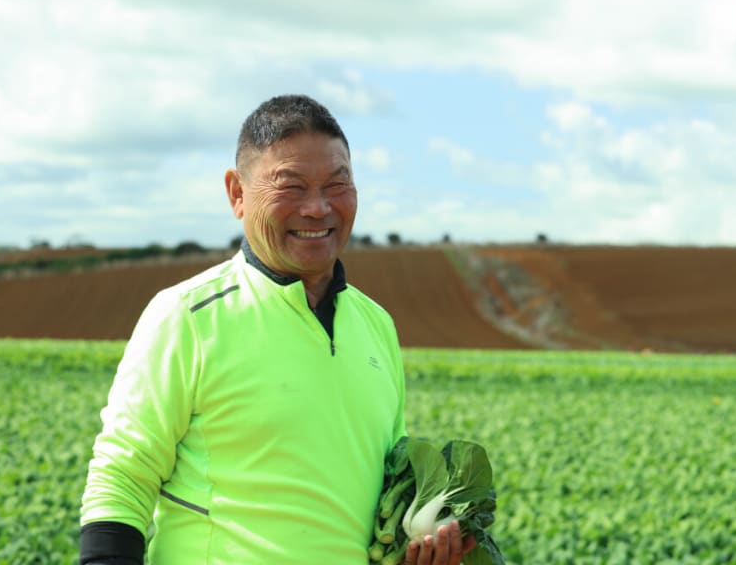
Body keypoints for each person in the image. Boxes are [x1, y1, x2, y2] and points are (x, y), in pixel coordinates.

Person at [79, 94, 473, 564]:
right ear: (237, 194)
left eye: (336, 183)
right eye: (291, 186)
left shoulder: (375, 324)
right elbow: (122, 476)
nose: (318, 208)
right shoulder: (187, 315)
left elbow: (383, 496)